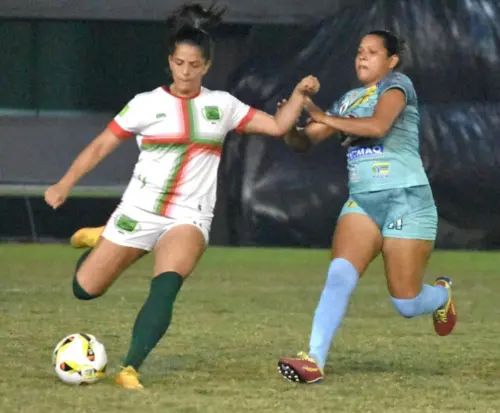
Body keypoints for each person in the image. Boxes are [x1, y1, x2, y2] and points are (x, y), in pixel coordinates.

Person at [44, 3, 320, 390]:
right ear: (169, 63)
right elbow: (102, 144)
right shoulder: (146, 104)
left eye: (194, 65)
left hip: (189, 216)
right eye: (179, 63)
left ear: (206, 66)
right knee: (84, 289)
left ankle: (130, 367)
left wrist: (298, 94)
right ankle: (102, 237)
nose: (186, 72)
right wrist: (65, 183)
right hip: (139, 211)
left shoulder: (222, 105)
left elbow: (277, 126)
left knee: (166, 284)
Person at [277, 30, 456, 384]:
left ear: (391, 60)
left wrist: (320, 115)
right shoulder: (348, 100)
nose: (362, 57)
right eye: (360, 51)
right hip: (363, 201)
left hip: (407, 201)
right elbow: (304, 142)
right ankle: (313, 360)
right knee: (339, 275)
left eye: (372, 52)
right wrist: (289, 121)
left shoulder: (398, 85)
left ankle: (441, 296)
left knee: (406, 303)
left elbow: (377, 126)